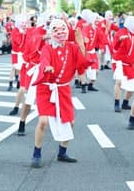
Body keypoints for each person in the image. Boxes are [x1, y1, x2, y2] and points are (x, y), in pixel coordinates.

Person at [30, 18, 92, 168]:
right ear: (51, 33)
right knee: (43, 121)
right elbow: (44, 59)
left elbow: (81, 65)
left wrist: (81, 44)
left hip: (63, 89)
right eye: (55, 30)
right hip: (46, 88)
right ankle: (36, 152)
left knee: (70, 122)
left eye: (62, 29)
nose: (60, 32)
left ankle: (62, 152)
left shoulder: (72, 47)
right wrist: (47, 68)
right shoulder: (48, 47)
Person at [111, 16, 134, 112]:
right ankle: (116, 103)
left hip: (129, 64)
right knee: (119, 82)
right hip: (119, 62)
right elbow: (115, 47)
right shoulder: (121, 32)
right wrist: (120, 40)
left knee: (131, 87)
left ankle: (125, 103)